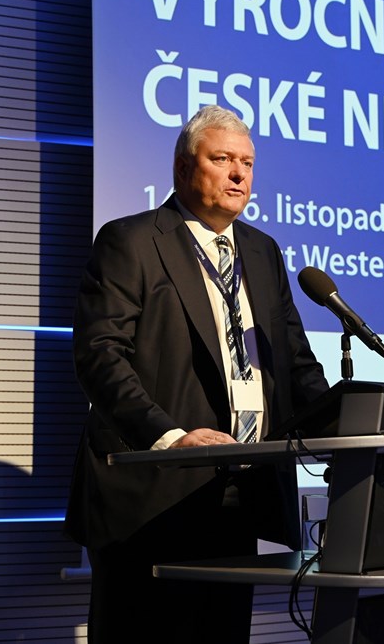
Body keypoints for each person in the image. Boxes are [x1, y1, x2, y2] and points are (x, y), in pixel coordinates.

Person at [64, 104, 329, 644]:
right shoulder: (132, 240)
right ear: (184, 168)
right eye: (223, 159)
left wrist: (339, 427)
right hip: (151, 494)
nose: (239, 174)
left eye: (247, 163)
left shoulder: (262, 251)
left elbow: (295, 363)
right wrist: (169, 436)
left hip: (239, 491)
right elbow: (100, 355)